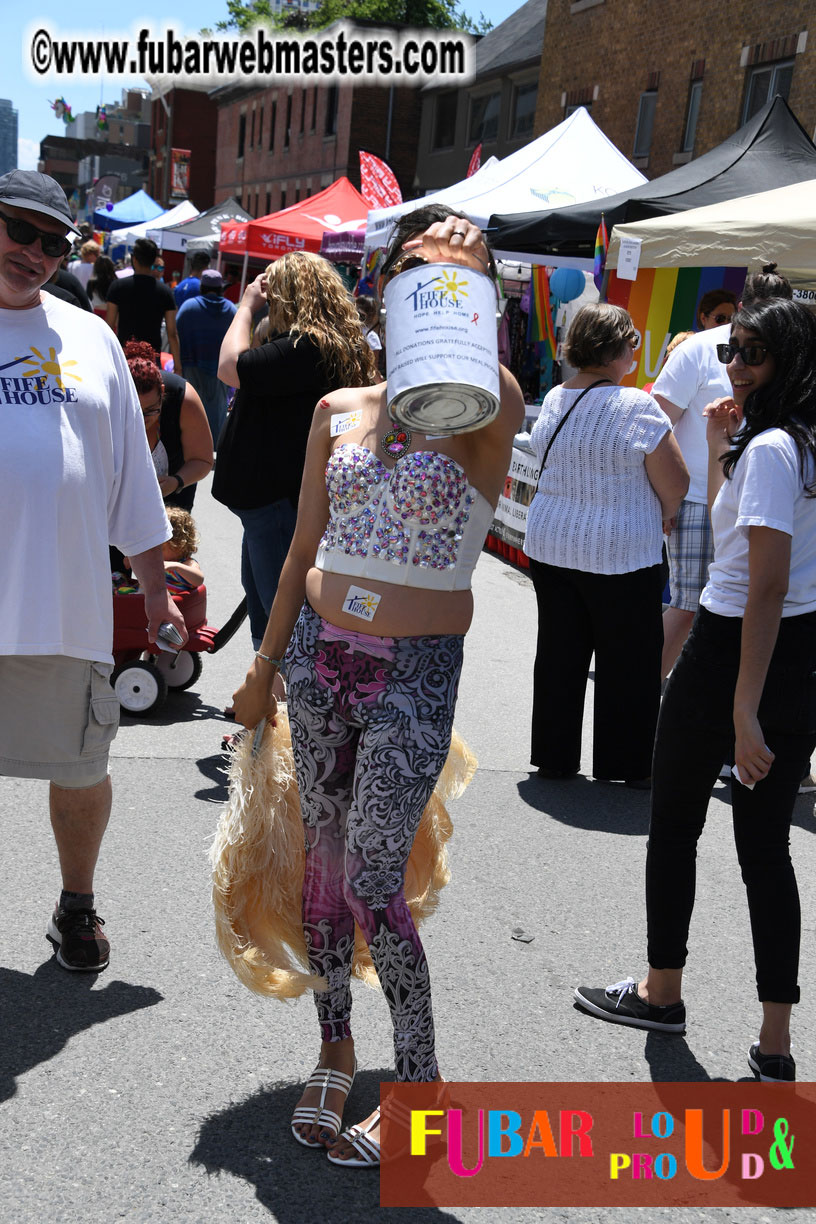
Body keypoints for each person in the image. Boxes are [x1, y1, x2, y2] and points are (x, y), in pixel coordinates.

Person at [231, 205, 525, 1167]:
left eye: (458, 274)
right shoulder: (336, 410)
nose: (435, 281)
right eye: (416, 268)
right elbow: (299, 552)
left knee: (370, 877)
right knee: (320, 869)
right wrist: (263, 668)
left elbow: (474, 387)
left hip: (415, 669)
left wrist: (464, 275)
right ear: (385, 289)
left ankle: (420, 1085)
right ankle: (335, 1045)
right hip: (319, 659)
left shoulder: (487, 401)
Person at [574, 298, 816, 1084]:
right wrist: (717, 449)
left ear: (791, 361)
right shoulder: (790, 445)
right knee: (766, 851)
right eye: (731, 350)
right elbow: (739, 538)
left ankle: (662, 992)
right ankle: (774, 1043)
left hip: (735, 651)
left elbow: (762, 584)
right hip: (793, 653)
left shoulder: (775, 449)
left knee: (677, 827)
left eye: (752, 354)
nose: (734, 366)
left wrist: (744, 705)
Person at [0, 169, 186, 972]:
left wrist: (157, 593)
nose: (35, 252)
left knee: (81, 767)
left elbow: (131, 481)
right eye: (19, 230)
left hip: (63, 606)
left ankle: (76, 905)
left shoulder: (90, 337)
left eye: (54, 242)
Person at [524, 303, 688, 785]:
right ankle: (626, 764)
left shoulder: (555, 397)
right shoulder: (636, 404)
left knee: (560, 651)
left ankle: (554, 756)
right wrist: (665, 510)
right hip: (620, 549)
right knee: (630, 658)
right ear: (618, 348)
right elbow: (675, 483)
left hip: (552, 543)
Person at [213, 251, 377, 650]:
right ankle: (266, 678)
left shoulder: (304, 347)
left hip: (275, 498)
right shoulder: (325, 345)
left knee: (278, 607)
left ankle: (284, 681)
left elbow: (230, 366)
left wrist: (246, 306)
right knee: (262, 600)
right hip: (275, 498)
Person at [653, 266, 793, 680]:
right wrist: (665, 497)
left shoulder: (785, 360)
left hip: (758, 501)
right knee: (690, 604)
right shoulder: (700, 349)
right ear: (741, 307)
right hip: (697, 499)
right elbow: (655, 426)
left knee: (736, 605)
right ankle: (639, 693)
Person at [125, 341, 213, 511]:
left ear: (162, 392)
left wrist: (177, 481)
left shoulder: (183, 398)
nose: (142, 418)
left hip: (174, 496)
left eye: (151, 410)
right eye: (135, 410)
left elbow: (202, 459)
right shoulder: (107, 399)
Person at [175, 269, 237, 442]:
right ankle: (213, 449)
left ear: (202, 287)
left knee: (191, 411)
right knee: (217, 413)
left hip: (192, 366)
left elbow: (177, 334)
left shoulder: (188, 307)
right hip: (220, 370)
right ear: (220, 289)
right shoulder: (232, 310)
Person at [106, 237, 181, 372]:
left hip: (124, 357)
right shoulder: (165, 292)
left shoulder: (117, 287)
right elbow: (171, 333)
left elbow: (110, 326)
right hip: (151, 359)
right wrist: (178, 367)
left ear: (134, 259)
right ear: (153, 261)